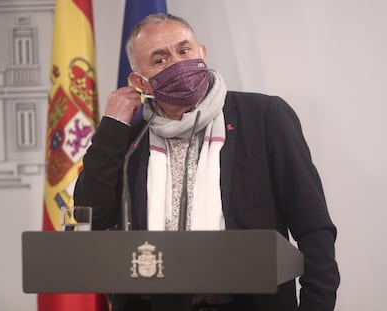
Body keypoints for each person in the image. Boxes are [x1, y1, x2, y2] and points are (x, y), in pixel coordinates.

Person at [74, 13, 340, 311]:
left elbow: (313, 227)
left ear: (202, 53)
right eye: (160, 60)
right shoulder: (132, 139)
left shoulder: (263, 116)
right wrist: (111, 127)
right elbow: (93, 217)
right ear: (141, 82)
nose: (177, 63)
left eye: (184, 50)